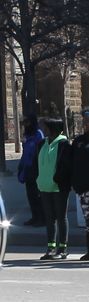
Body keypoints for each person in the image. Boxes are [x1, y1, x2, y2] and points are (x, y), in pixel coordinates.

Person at [34, 117, 72, 260]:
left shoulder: (64, 144)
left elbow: (66, 166)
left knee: (61, 218)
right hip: (44, 186)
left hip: (58, 187)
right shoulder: (42, 143)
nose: (44, 129)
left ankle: (62, 248)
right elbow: (36, 163)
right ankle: (51, 247)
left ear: (54, 128)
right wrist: (38, 180)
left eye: (46, 127)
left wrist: (56, 179)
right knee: (50, 219)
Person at [17, 114, 45, 227]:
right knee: (30, 195)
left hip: (37, 168)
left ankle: (42, 218)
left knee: (38, 195)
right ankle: (35, 217)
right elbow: (25, 153)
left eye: (27, 123)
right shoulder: (27, 135)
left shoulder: (39, 133)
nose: (25, 126)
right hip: (27, 168)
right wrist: (21, 167)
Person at [70, 109, 89, 260]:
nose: (86, 125)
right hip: (83, 188)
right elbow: (73, 163)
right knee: (88, 221)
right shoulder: (78, 141)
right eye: (84, 122)